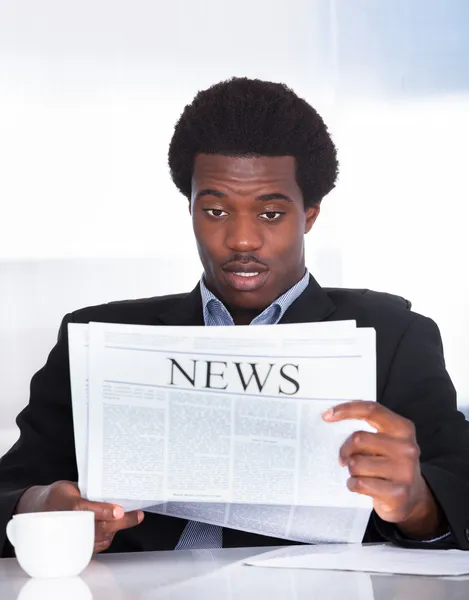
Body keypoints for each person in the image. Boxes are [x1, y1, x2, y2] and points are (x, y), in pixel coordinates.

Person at [1, 77, 468, 557]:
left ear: (309, 215)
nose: (242, 240)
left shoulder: (393, 338)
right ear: (190, 208)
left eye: (270, 214)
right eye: (216, 210)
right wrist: (40, 506)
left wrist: (417, 505)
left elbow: (458, 487)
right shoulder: (97, 340)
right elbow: (11, 489)